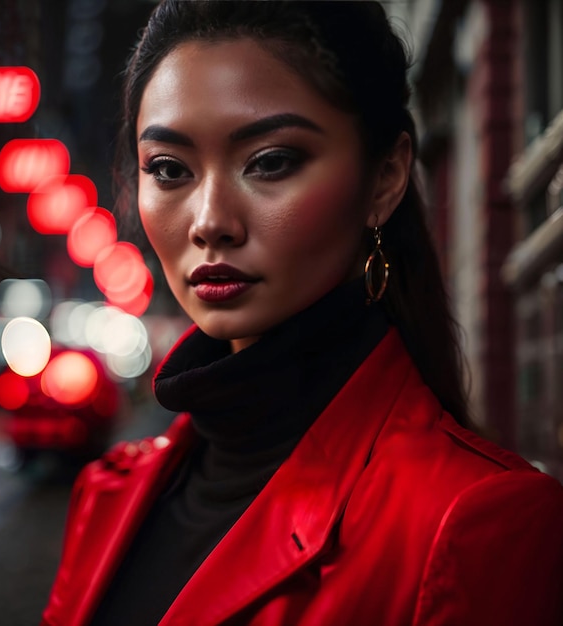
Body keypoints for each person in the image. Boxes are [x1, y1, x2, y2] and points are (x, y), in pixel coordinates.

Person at [41, 2, 563, 625]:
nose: (210, 221)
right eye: (169, 169)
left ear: (385, 177)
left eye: (270, 161)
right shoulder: (107, 493)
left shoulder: (477, 519)